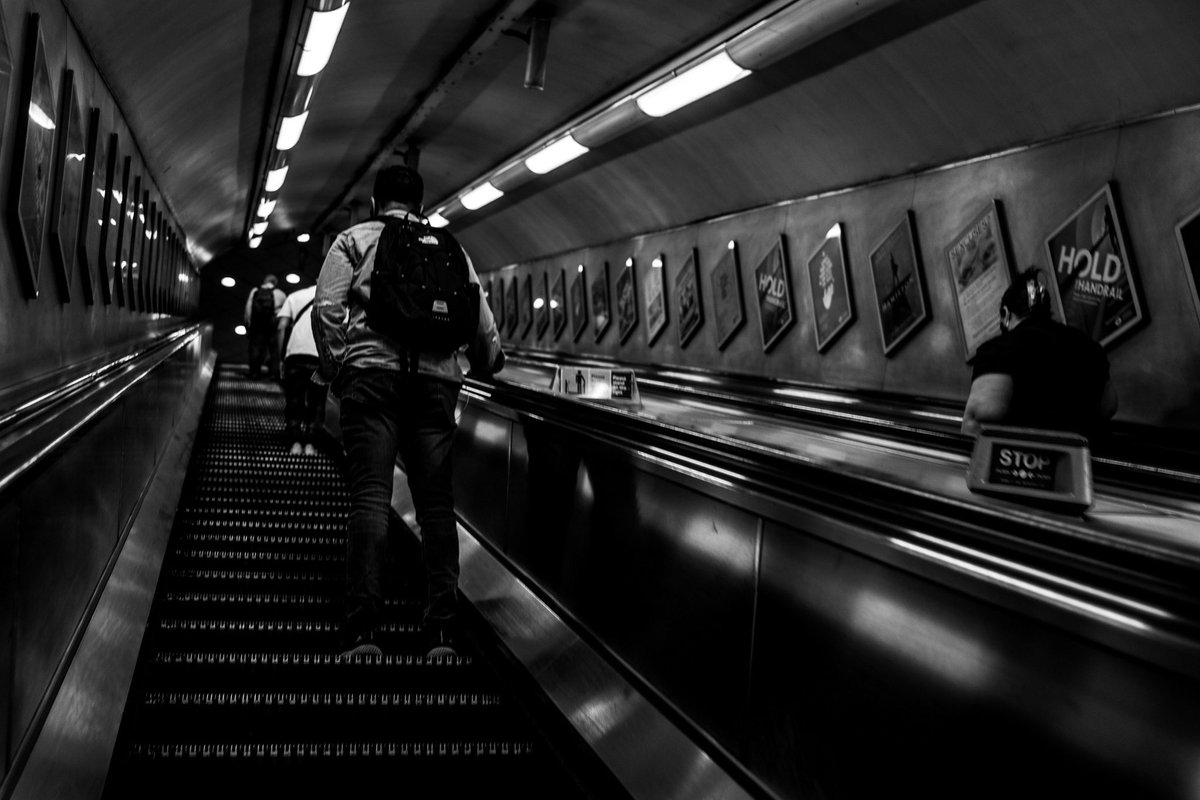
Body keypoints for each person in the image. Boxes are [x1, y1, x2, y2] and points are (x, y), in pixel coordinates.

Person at [311, 164, 505, 661]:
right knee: (437, 505)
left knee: (371, 498)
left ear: (377, 201)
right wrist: (486, 363)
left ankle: (364, 631)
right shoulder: (451, 249)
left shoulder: (354, 240)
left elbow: (327, 308)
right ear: (421, 204)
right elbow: (479, 320)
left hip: (372, 378)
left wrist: (336, 367)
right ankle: (441, 631)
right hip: (438, 384)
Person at [962, 267, 1117, 441]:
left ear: (1005, 314)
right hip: (1087, 461)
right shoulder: (1089, 345)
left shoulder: (998, 348)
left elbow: (978, 418)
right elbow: (1109, 406)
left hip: (1026, 461)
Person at [276, 283, 327, 456]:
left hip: (295, 355)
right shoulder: (335, 299)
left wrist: (281, 358)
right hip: (319, 357)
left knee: (294, 400)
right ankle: (311, 445)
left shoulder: (295, 296)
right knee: (317, 402)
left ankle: (295, 443)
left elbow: (281, 327)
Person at [243, 274, 286, 378]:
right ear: (275, 282)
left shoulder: (255, 291)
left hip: (257, 323)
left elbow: (248, 308)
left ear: (265, 281)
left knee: (255, 347)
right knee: (274, 349)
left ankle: (254, 372)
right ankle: (274, 374)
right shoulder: (280, 293)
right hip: (272, 324)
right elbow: (284, 312)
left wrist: (247, 323)